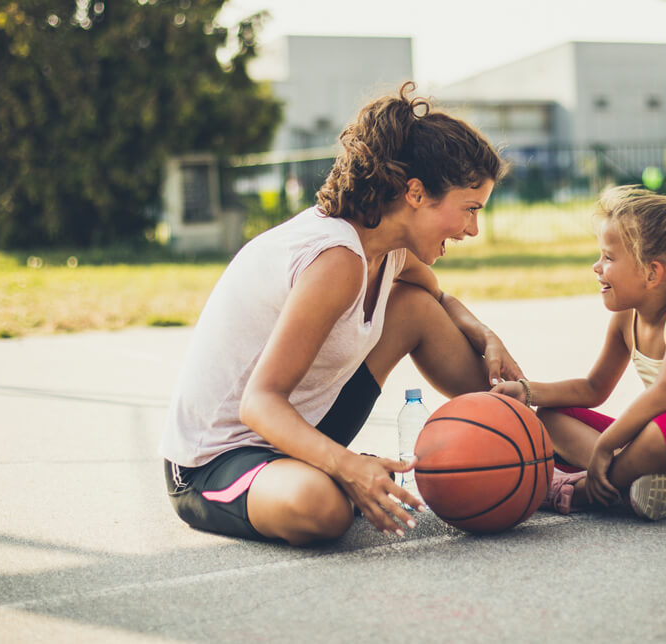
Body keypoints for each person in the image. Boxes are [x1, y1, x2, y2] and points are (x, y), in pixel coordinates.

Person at [160, 83, 518, 546]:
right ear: (414, 192)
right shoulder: (336, 258)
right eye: (469, 210)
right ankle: (345, 475)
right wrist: (348, 466)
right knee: (320, 509)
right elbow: (259, 403)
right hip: (218, 459)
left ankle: (519, 441)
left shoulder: (386, 247)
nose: (472, 228)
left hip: (298, 433)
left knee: (414, 308)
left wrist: (485, 335)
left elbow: (439, 298)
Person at [493, 186, 666, 521]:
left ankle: (580, 493)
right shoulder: (626, 317)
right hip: (665, 455)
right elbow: (593, 388)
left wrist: (606, 447)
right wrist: (527, 391)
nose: (596, 266)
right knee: (551, 414)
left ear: (652, 273)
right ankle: (634, 483)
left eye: (608, 257)